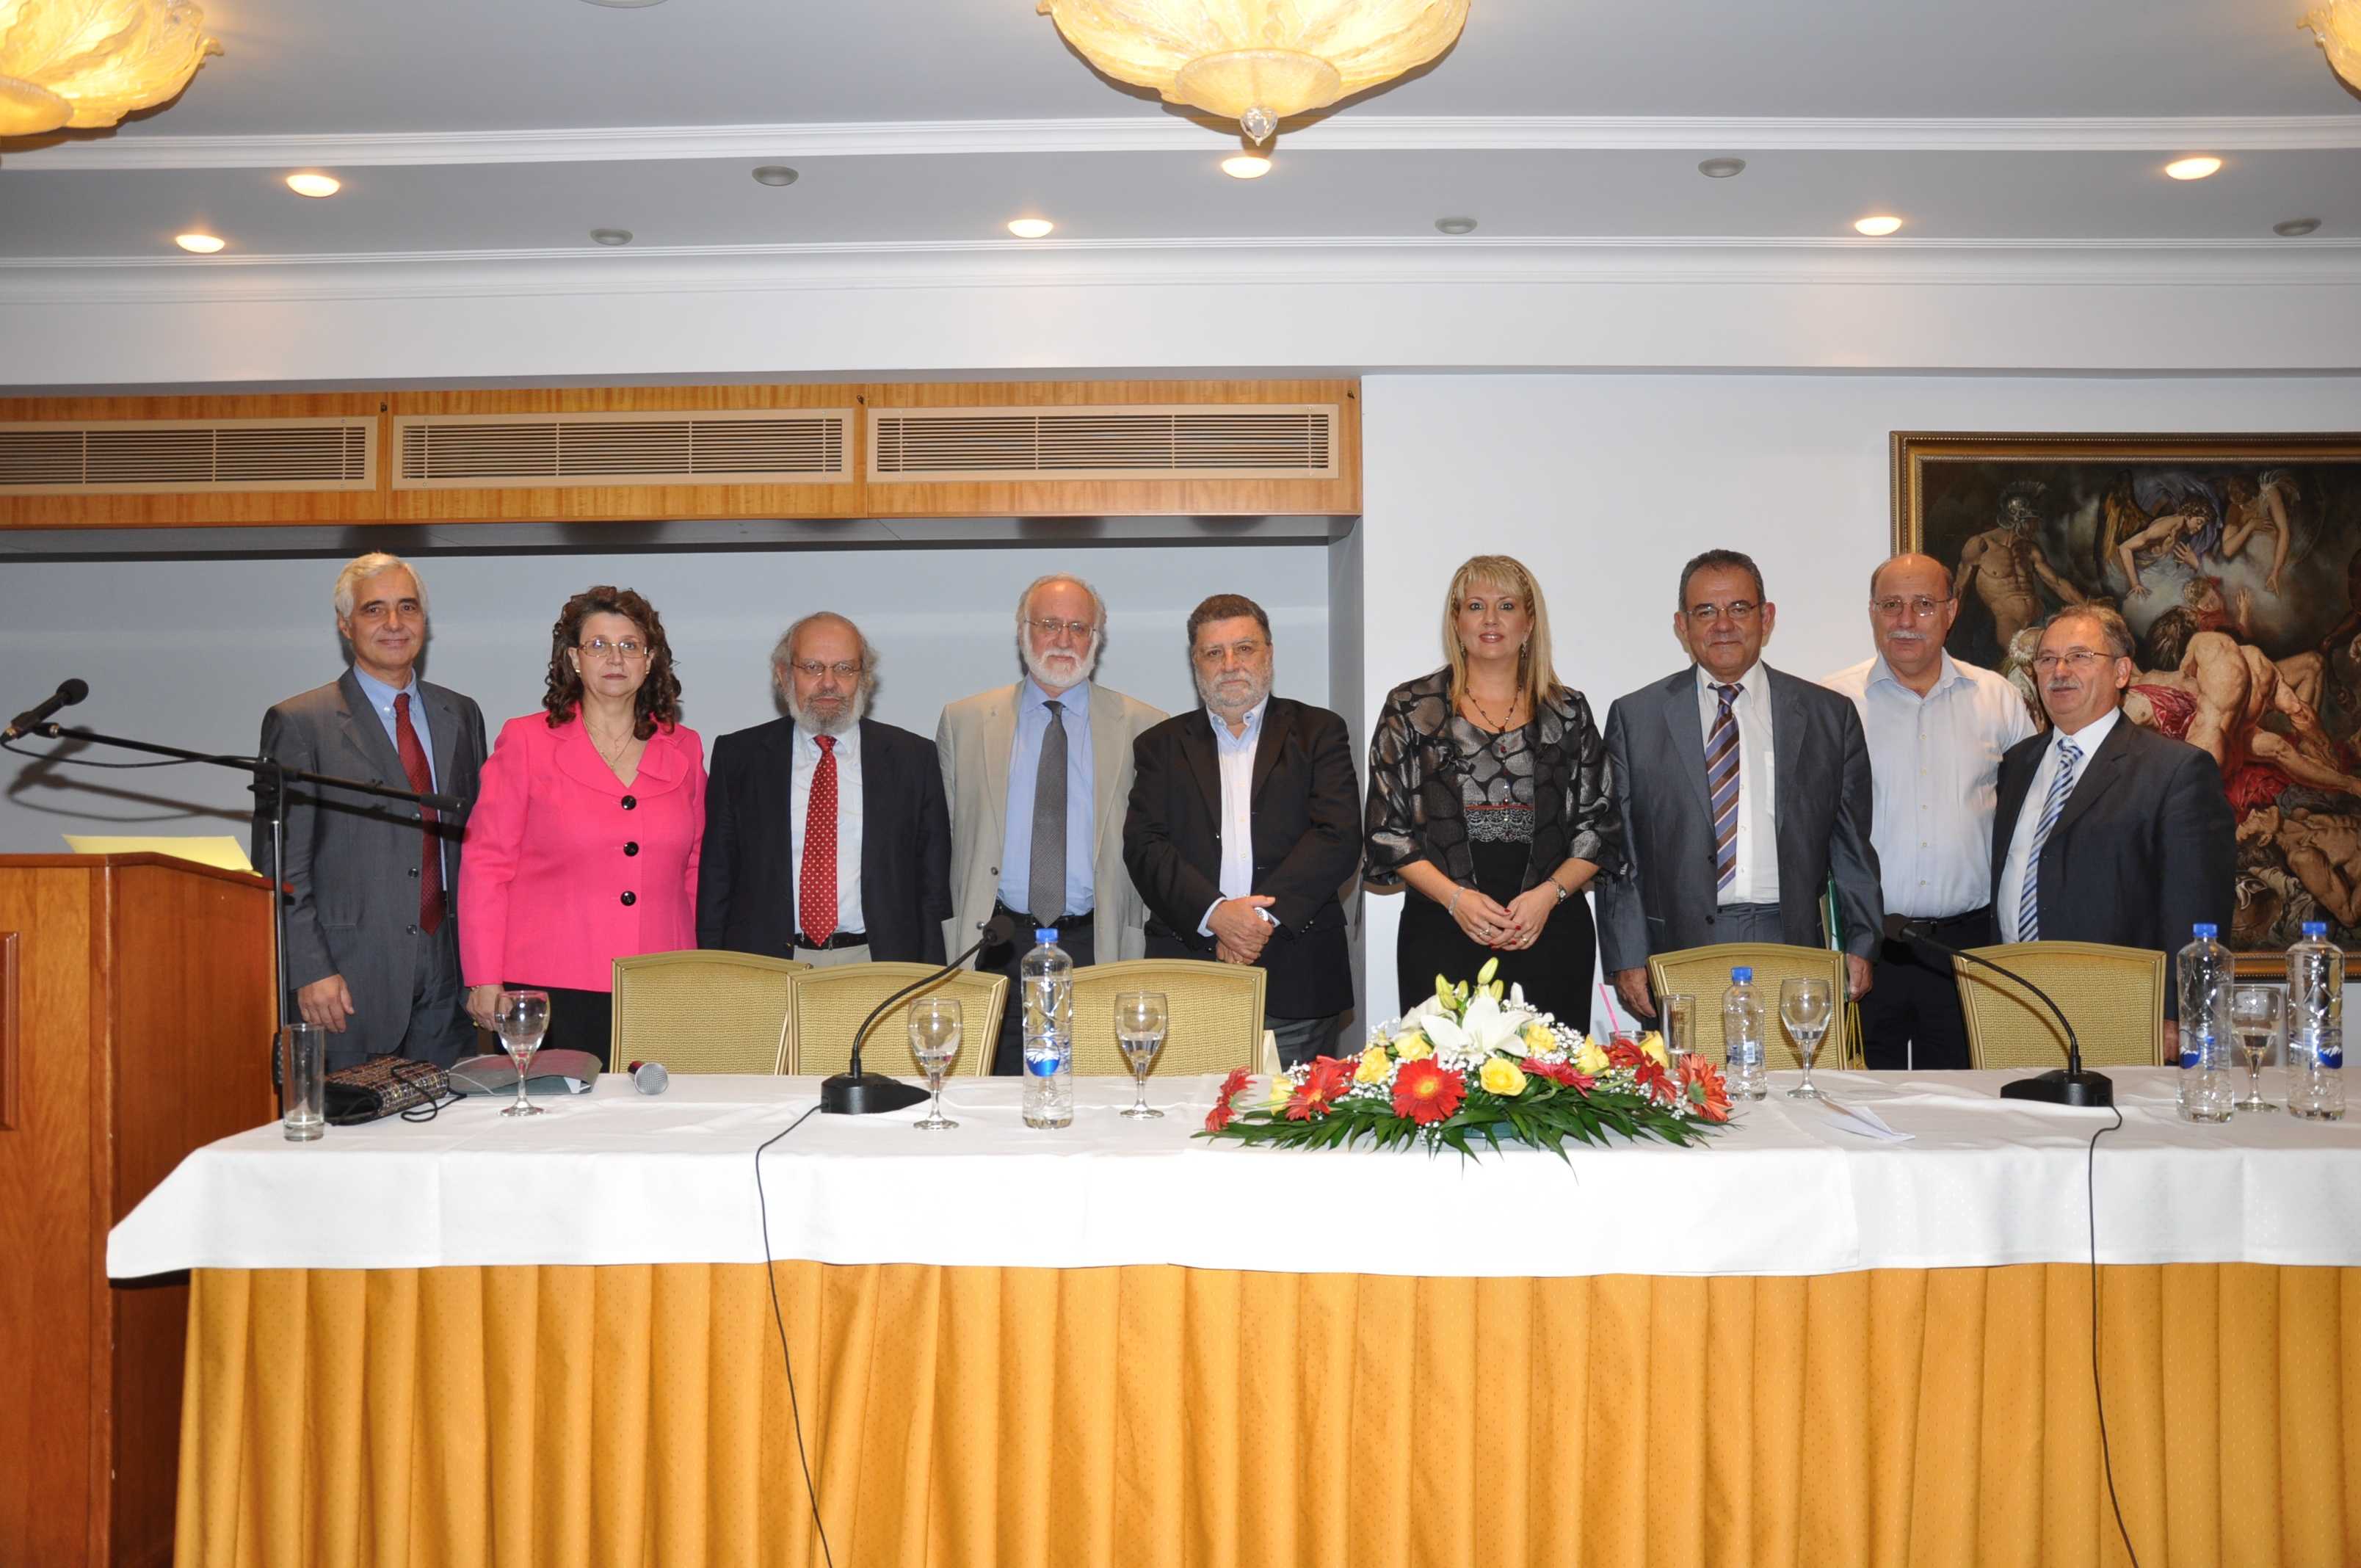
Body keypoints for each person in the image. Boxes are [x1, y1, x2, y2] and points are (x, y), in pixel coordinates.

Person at [1599, 548, 1882, 1021]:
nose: (1723, 625)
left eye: (1738, 608)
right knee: (1693, 1071)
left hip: (1791, 938)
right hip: (1681, 947)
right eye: (1705, 611)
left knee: (1796, 1069)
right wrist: (1627, 957)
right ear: (1682, 626)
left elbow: (1852, 844)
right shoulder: (1636, 718)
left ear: (1766, 618)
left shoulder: (1828, 716)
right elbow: (1620, 853)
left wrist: (1861, 940)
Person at [1363, 555, 1621, 1031]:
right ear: (1456, 621)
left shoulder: (1568, 712)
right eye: (1476, 606)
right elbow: (1385, 832)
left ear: (1529, 623)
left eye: (1506, 605)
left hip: (1549, 929)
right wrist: (1456, 900)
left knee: (1553, 1075)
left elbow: (1600, 827)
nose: (1490, 619)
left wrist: (1548, 897)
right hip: (1442, 926)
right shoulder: (1412, 708)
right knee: (1441, 1074)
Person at [254, 553, 487, 1070]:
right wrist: (309, 969)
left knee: (453, 1120)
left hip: (449, 980)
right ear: (345, 624)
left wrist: (484, 967)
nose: (394, 623)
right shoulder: (301, 723)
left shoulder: (460, 714)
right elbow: (281, 867)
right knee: (350, 1123)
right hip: (346, 983)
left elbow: (479, 848)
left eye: (408, 607)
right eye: (374, 610)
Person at [460, 587, 705, 1067]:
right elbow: (487, 865)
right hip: (551, 986)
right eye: (598, 645)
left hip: (659, 981)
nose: (615, 658)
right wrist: (484, 977)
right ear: (573, 658)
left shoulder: (686, 747)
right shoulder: (526, 740)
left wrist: (695, 967)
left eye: (629, 645)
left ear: (649, 660)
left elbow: (695, 869)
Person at [937, 573, 1166, 1072]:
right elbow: (948, 835)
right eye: (1049, 625)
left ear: (1097, 639)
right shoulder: (964, 721)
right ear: (1023, 632)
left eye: (1079, 628)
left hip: (1097, 941)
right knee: (993, 1091)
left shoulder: (1145, 726)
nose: (1064, 640)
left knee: (1098, 1089)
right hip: (995, 940)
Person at [1124, 594, 1361, 1067]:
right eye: (1214, 652)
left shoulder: (1319, 731)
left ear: (1269, 653)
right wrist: (1216, 914)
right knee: (1184, 1111)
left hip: (1299, 974)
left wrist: (1256, 922)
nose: (1230, 664)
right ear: (1195, 663)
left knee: (1292, 1113)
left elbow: (1338, 835)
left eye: (1244, 648)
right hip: (1190, 971)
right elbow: (1145, 846)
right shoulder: (1159, 745)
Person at [1824, 554, 2033, 1069]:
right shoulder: (1830, 702)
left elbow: (2031, 823)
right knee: (1865, 1102)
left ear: (1951, 611)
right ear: (1872, 612)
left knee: (1966, 1103)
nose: (1906, 620)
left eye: (1923, 605)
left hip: (1969, 950)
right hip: (1865, 948)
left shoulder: (1999, 699)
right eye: (1891, 605)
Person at [1992, 605, 2235, 1023]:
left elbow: (2198, 910)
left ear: (2122, 672)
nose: (2059, 671)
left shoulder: (2175, 771)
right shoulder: (2017, 764)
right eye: (2047, 659)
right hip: (2013, 1004)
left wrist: (2178, 1015)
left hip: (2123, 1012)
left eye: (2080, 656)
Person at [698, 612, 951, 966]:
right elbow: (717, 879)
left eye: (845, 669)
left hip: (877, 962)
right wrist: (713, 970)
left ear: (865, 678)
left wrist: (931, 976)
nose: (829, 683)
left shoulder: (913, 759)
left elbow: (933, 887)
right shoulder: (739, 757)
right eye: (812, 667)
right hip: (767, 965)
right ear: (783, 674)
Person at [1954, 484, 2086, 650]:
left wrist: (2089, 607)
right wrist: (1947, 625)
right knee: (2024, 656)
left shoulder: (2030, 549)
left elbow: (2057, 583)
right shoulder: (1980, 546)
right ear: (2019, 520)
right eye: (2032, 521)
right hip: (2008, 623)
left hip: (2040, 619)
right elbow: (1960, 589)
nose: (2037, 527)